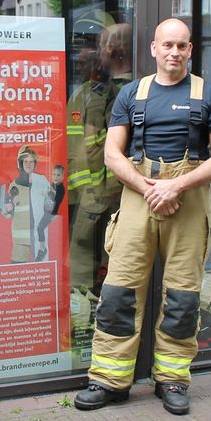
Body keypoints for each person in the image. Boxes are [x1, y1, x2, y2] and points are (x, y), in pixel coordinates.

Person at [73, 18, 211, 416]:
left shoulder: (208, 95)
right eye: (168, 45)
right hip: (138, 198)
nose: (174, 53)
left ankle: (173, 379)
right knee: (118, 293)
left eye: (182, 46)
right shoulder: (132, 94)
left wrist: (175, 187)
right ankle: (109, 379)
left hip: (188, 201)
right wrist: (150, 188)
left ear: (190, 50)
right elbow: (113, 154)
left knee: (182, 296)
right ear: (154, 49)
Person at [69, 23, 133, 294]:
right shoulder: (96, 91)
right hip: (98, 190)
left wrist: (96, 189)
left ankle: (85, 309)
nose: (96, 56)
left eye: (100, 45)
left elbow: (96, 148)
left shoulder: (115, 93)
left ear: (110, 49)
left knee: (90, 254)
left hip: (103, 192)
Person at [1, 145, 54, 263]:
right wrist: (8, 209)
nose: (28, 164)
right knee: (17, 269)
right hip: (21, 239)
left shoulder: (41, 180)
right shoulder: (14, 185)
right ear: (20, 163)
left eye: (31, 161)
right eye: (25, 161)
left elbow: (52, 207)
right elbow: (7, 214)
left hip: (38, 237)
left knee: (40, 271)